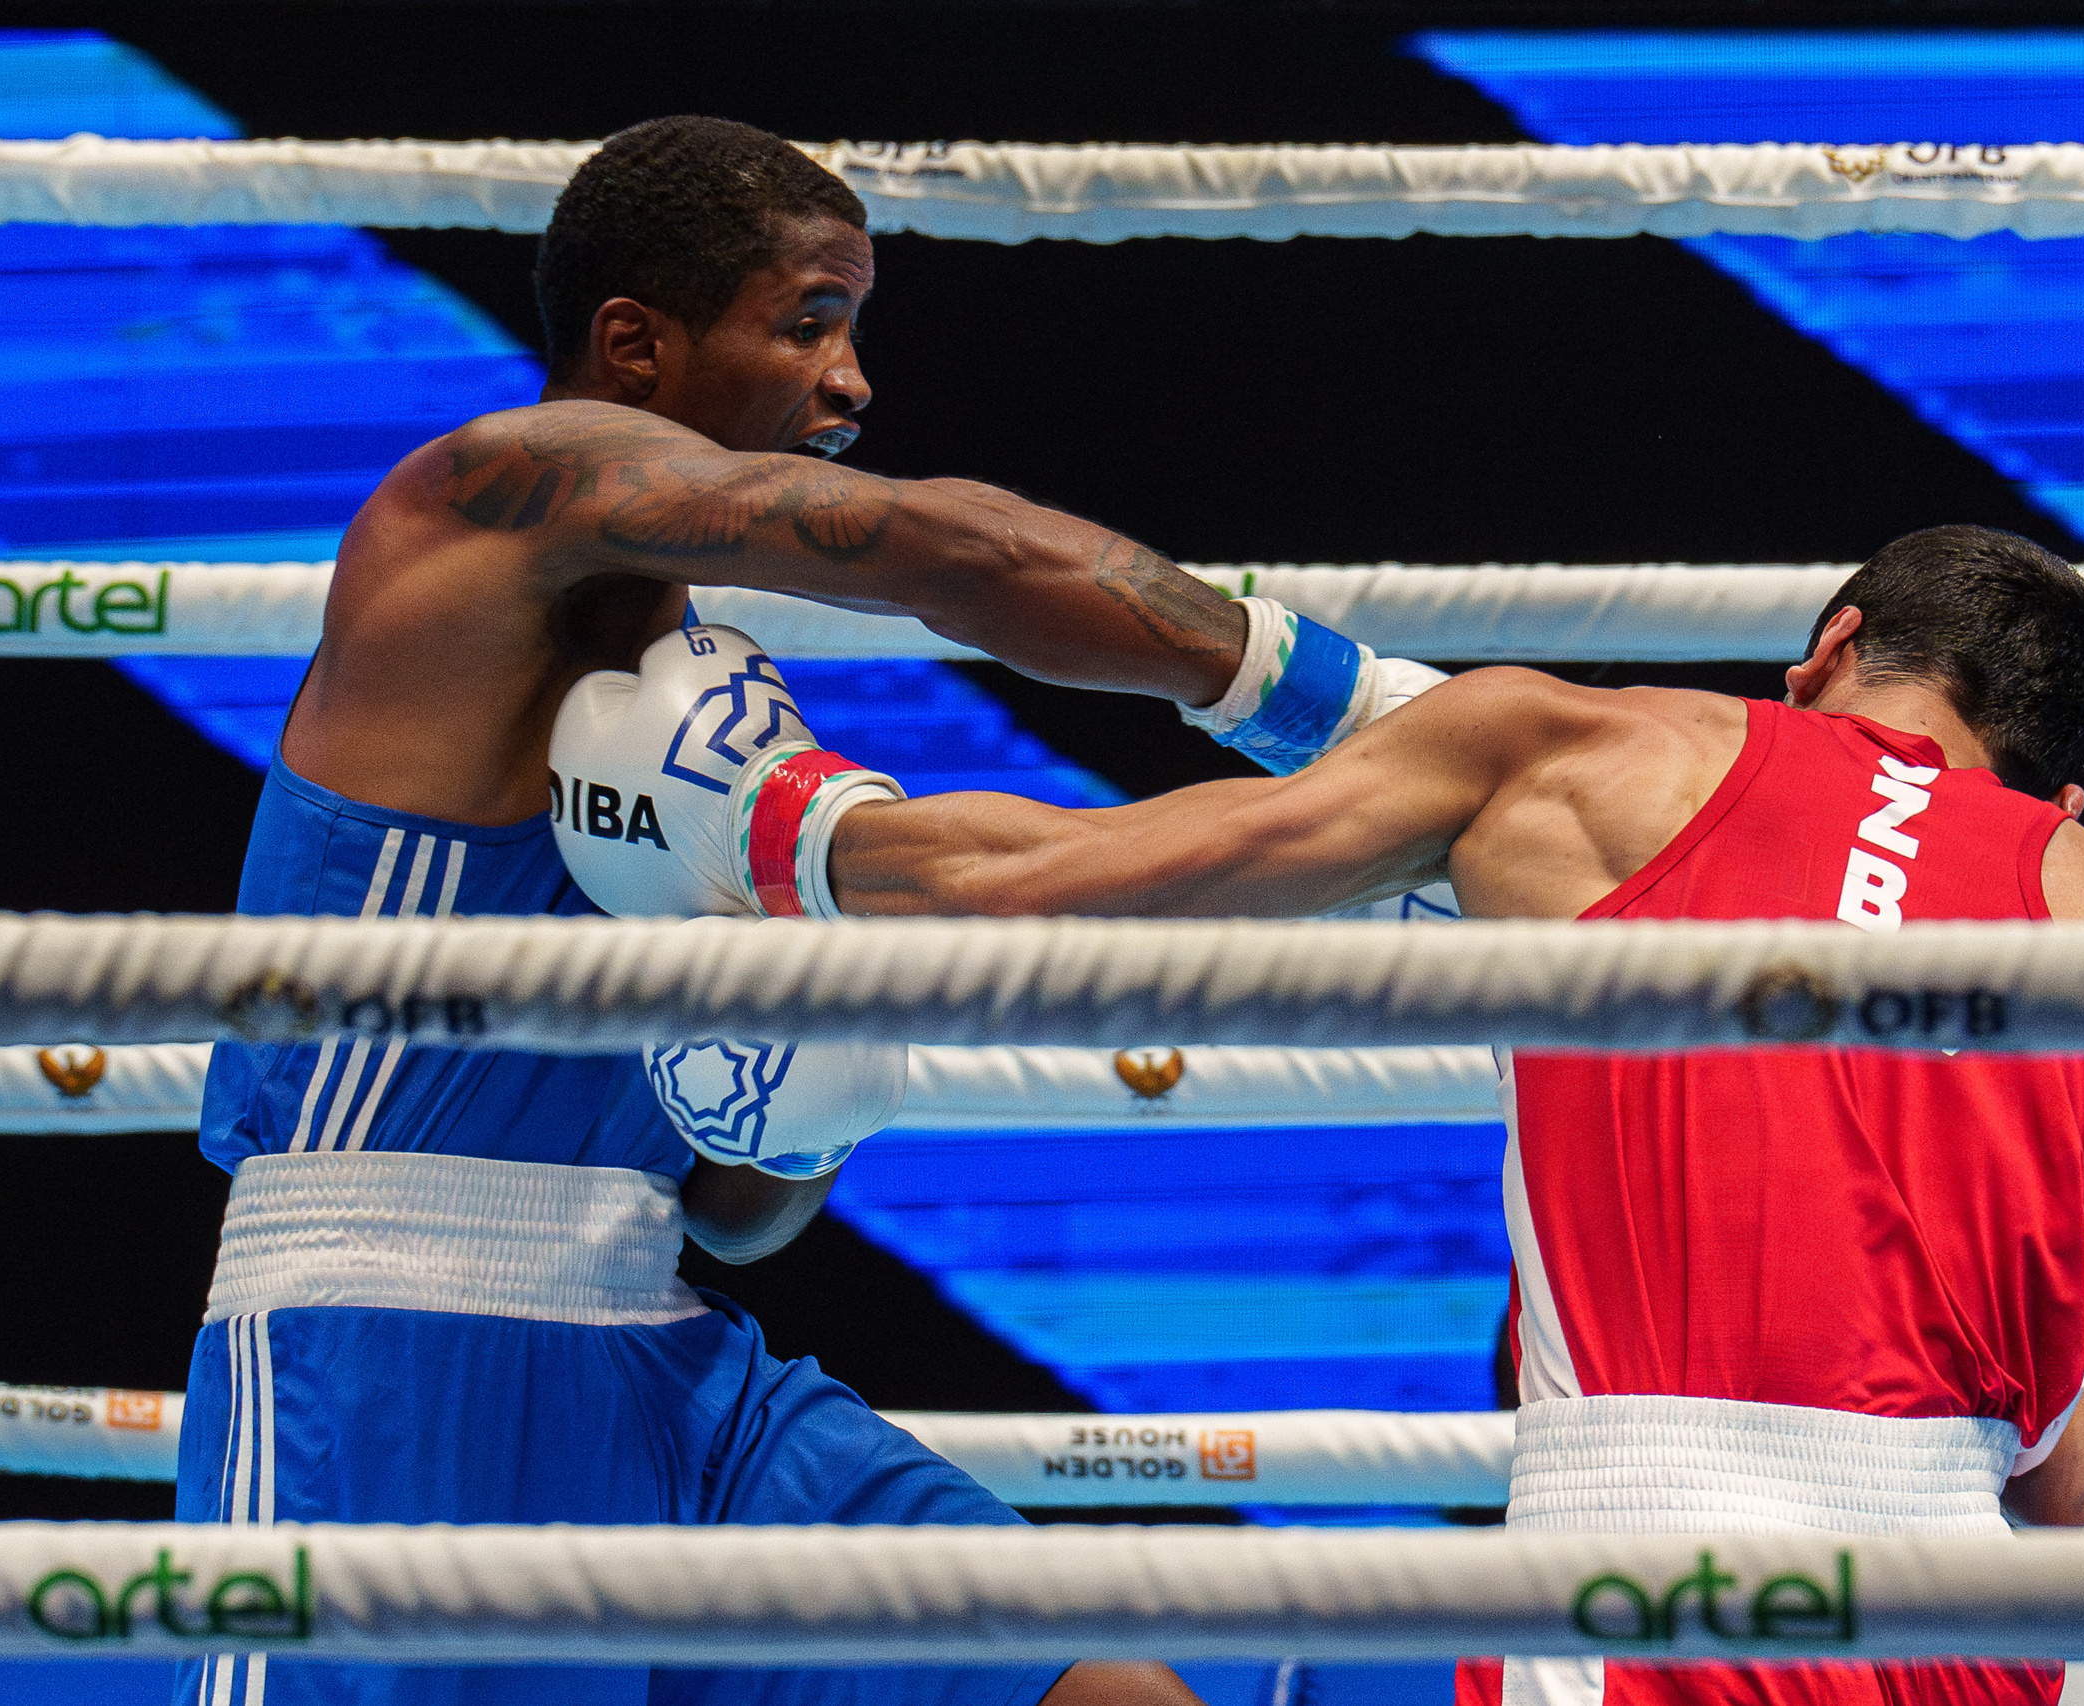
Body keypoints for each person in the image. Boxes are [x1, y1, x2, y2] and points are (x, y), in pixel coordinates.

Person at [557, 524, 2084, 1706]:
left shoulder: (1593, 755)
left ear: (1827, 650)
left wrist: (768, 820)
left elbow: (1074, 883)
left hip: (1639, 1584)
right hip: (1960, 1629)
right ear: (2058, 793)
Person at [179, 113, 1421, 1706]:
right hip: (390, 1343)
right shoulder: (488, 494)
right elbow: (940, 550)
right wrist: (1339, 706)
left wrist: (798, 1103)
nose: (851, 383)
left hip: (668, 1351)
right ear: (636, 343)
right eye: (810, 323)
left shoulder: (697, 716)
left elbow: (730, 1212)